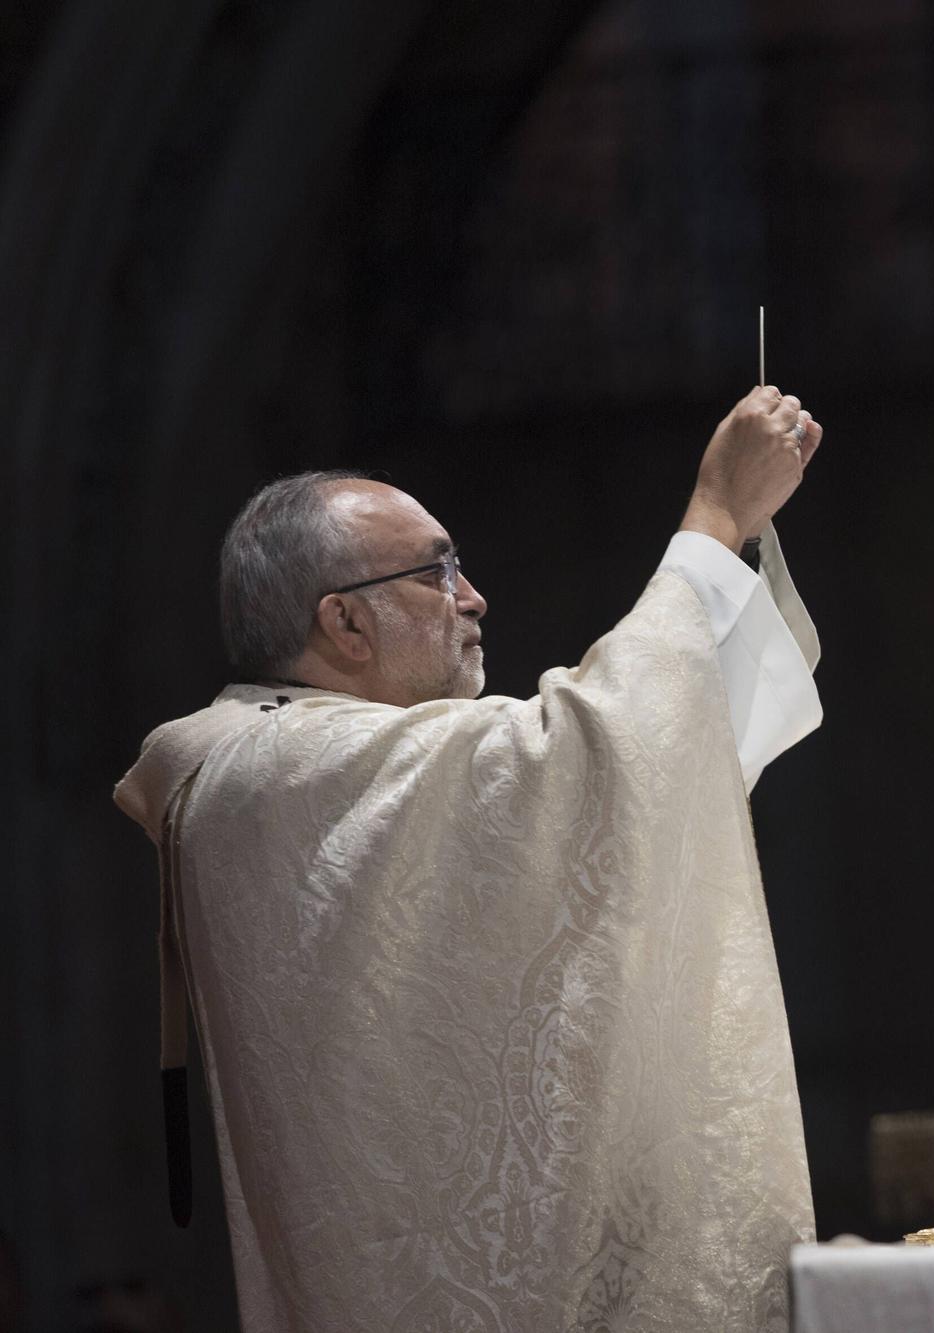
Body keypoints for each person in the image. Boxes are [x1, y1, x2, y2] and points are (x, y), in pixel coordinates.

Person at [114, 387, 826, 1332]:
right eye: (436, 571)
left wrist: (730, 546)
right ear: (345, 624)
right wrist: (715, 515)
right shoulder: (268, 769)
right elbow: (586, 752)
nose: (473, 595)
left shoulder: (302, 757)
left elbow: (659, 767)